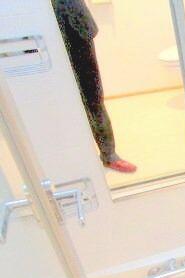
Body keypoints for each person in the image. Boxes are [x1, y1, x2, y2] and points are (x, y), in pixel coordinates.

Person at [52, 0, 137, 173]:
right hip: (44, 39)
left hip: (78, 30)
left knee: (93, 97)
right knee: (56, 101)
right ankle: (70, 159)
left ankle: (109, 155)